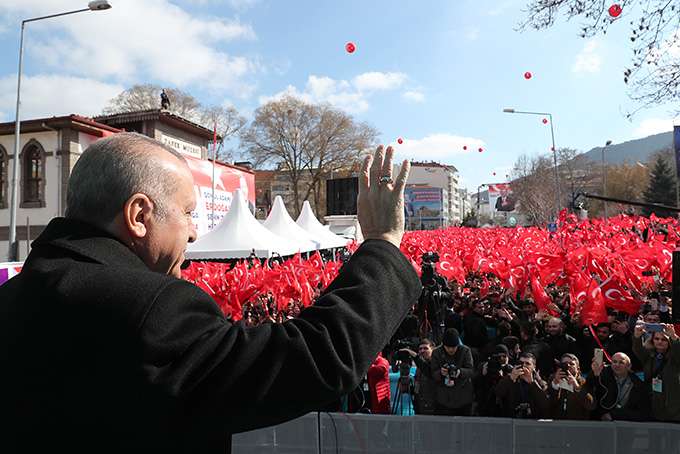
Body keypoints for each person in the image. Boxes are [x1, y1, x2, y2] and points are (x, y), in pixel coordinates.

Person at [0, 135, 421, 454]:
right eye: (186, 213)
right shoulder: (150, 309)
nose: (195, 231)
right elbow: (315, 356)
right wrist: (383, 242)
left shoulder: (13, 298)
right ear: (139, 216)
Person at [633, 321, 680, 422]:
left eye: (664, 339)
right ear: (652, 340)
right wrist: (637, 336)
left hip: (673, 406)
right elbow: (637, 349)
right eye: (656, 339)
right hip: (653, 404)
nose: (659, 342)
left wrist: (673, 337)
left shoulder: (674, 357)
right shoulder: (649, 355)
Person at [586, 353, 650, 421]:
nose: (617, 365)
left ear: (629, 366)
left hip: (626, 422)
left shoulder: (637, 384)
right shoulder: (603, 373)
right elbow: (589, 388)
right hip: (602, 420)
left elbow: (643, 412)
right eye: (614, 362)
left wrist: (615, 415)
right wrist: (594, 374)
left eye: (621, 362)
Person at [430, 329, 475, 416]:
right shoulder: (436, 352)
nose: (451, 350)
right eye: (448, 347)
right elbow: (433, 373)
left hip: (463, 397)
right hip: (444, 398)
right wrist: (441, 373)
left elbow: (471, 371)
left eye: (454, 347)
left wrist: (460, 372)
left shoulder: (465, 351)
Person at [494, 352, 550, 419]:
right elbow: (498, 394)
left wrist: (532, 383)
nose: (523, 366)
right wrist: (511, 378)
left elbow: (545, 405)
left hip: (532, 423)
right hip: (512, 422)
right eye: (521, 363)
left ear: (534, 367)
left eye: (527, 364)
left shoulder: (540, 383)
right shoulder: (510, 379)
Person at [546, 354, 594, 420]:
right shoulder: (552, 379)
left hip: (577, 425)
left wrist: (577, 387)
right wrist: (555, 384)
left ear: (578, 368)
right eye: (565, 364)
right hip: (557, 424)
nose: (568, 366)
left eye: (571, 364)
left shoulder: (584, 382)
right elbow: (547, 404)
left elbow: (591, 405)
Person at [400, 338, 437, 415]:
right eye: (420, 349)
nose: (422, 351)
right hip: (419, 406)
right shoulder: (419, 366)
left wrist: (415, 355)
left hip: (433, 408)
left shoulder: (435, 363)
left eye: (425, 348)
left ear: (433, 349)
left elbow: (428, 371)